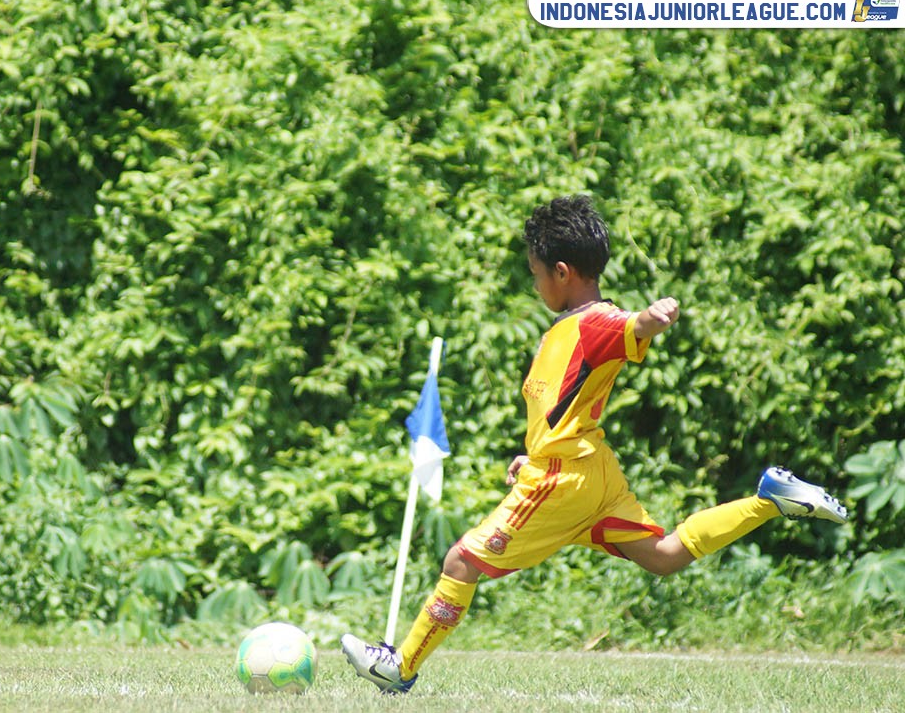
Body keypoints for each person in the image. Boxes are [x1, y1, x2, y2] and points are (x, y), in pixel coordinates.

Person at [340, 195, 847, 694]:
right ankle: (768, 500)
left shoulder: (593, 322)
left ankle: (400, 667)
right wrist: (533, 452)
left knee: (461, 562)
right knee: (664, 555)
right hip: (588, 471)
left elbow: (632, 324)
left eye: (536, 273)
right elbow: (563, 407)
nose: (535, 284)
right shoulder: (568, 329)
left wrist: (655, 315)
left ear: (562, 272)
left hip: (564, 478)